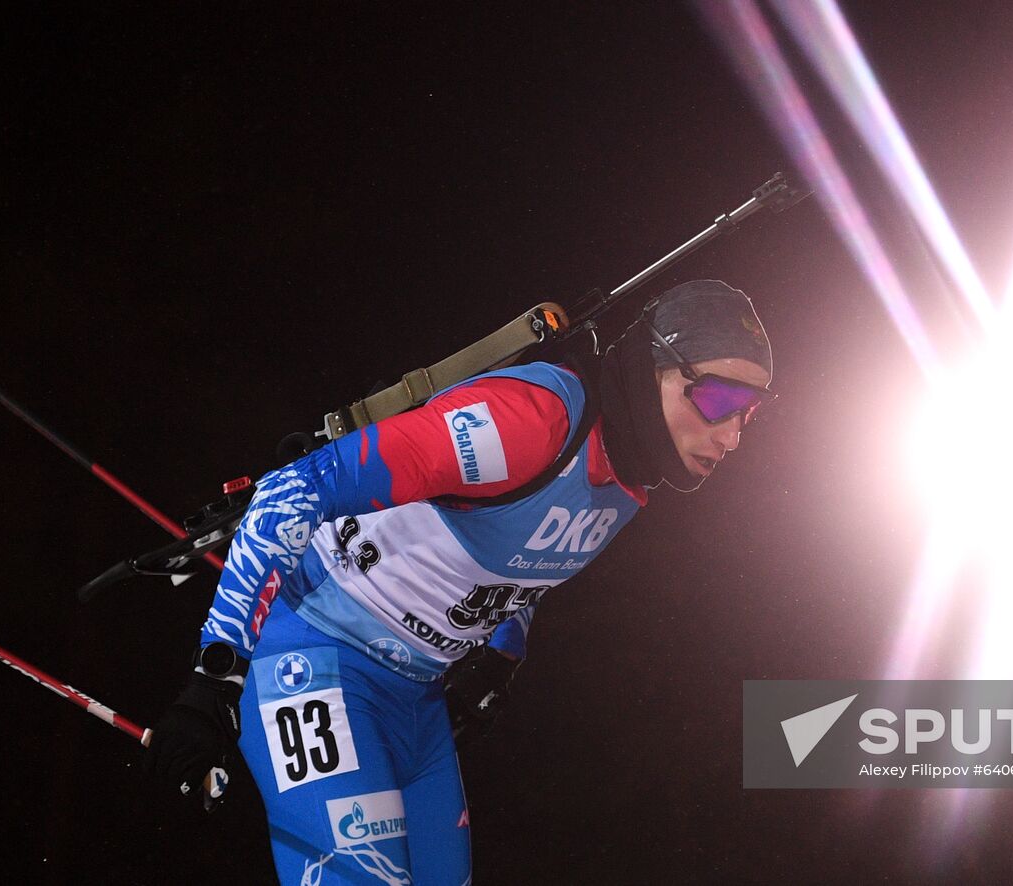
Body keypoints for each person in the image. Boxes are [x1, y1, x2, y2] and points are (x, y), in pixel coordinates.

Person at [145, 280, 775, 884]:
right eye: (720, 399)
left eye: (750, 413)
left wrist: (498, 661)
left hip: (414, 700)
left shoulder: (629, 487)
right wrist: (212, 683)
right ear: (653, 365)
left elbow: (518, 566)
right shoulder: (528, 421)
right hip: (313, 658)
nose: (733, 433)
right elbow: (293, 489)